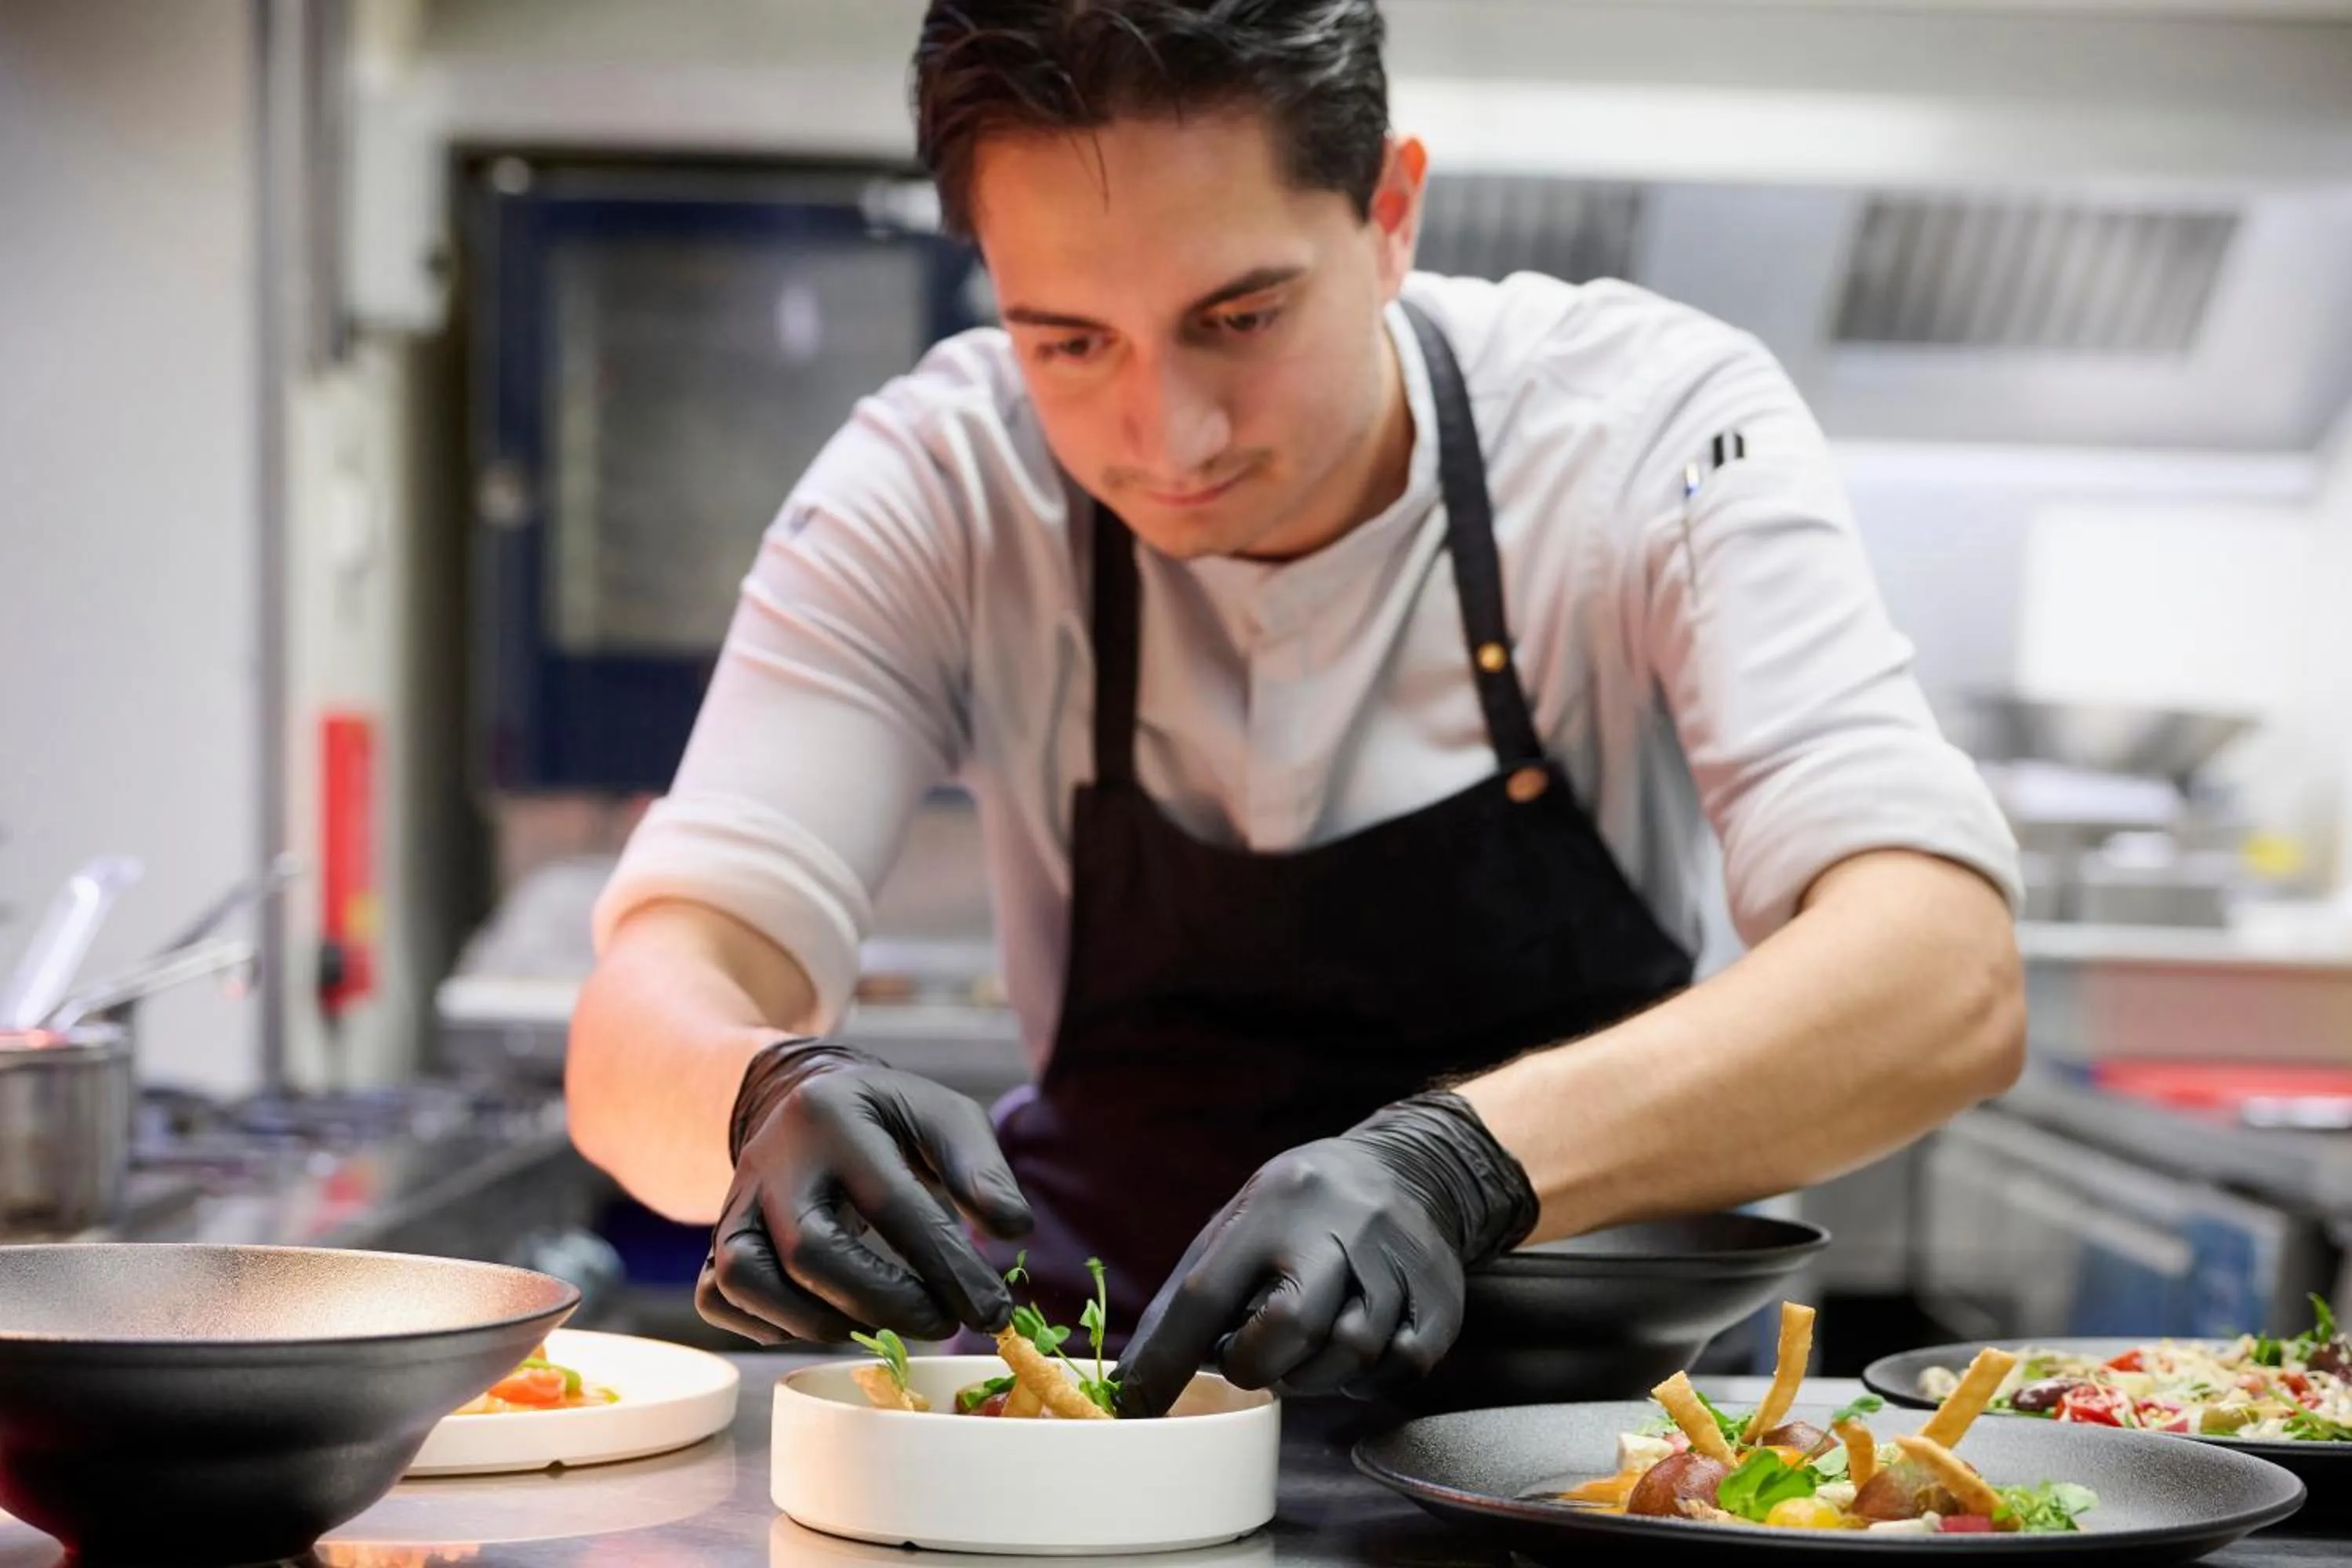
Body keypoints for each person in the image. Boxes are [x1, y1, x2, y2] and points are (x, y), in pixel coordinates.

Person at [566, 0, 2024, 1419]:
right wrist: (758, 1094)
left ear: (1392, 211)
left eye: (1241, 315)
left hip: (1599, 1438)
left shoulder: (1640, 427)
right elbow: (652, 997)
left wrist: (1456, 1167)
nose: (1169, 436)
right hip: (1106, 1422)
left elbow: (1944, 976)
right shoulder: (943, 481)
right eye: (1069, 341)